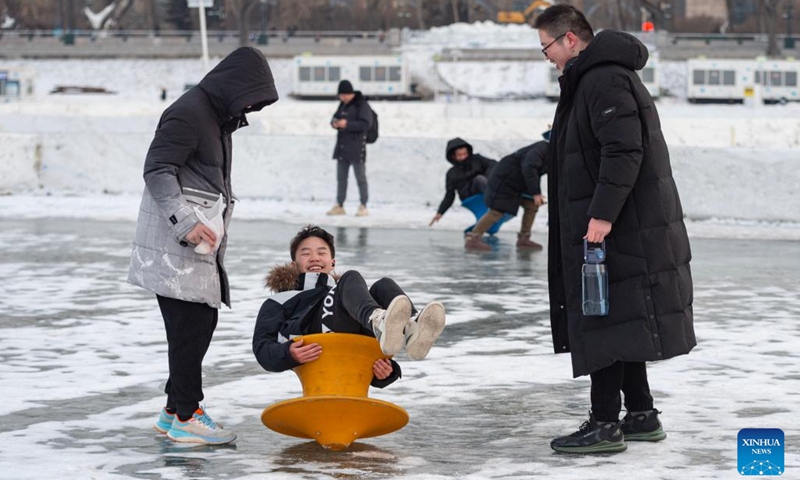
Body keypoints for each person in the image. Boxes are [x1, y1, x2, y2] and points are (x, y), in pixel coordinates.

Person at [534, 5, 695, 454]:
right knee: (616, 313)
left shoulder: (601, 78)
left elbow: (623, 152)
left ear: (569, 39)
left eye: (546, 45)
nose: (546, 56)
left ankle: (605, 422)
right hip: (622, 222)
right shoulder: (593, 78)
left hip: (616, 224)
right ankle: (640, 412)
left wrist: (601, 215)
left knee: (600, 316)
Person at [128, 47, 279, 445]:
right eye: (251, 97)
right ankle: (188, 415)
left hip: (194, 247)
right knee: (188, 329)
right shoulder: (188, 113)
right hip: (176, 245)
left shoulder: (214, 117)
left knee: (200, 324)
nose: (251, 106)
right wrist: (187, 221)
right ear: (235, 84)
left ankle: (172, 409)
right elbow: (157, 170)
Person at [253, 226, 447, 384]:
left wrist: (385, 372)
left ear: (332, 262)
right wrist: (287, 353)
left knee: (383, 286)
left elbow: (368, 362)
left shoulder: (346, 293)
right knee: (351, 277)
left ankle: (411, 329)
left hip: (349, 335)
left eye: (322, 252)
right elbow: (262, 348)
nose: (314, 257)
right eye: (305, 253)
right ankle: (377, 321)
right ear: (294, 264)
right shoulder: (279, 300)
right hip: (312, 338)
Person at [465, 134, 549, 251]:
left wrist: (535, 193)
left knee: (531, 205)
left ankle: (524, 238)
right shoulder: (542, 148)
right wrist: (535, 193)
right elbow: (529, 167)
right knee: (497, 211)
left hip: (519, 182)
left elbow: (535, 172)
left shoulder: (554, 152)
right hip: (505, 180)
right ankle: (473, 239)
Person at [327, 80, 374, 217]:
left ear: (351, 93)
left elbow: (366, 124)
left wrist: (347, 124)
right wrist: (334, 123)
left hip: (357, 147)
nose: (342, 98)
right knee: (341, 178)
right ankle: (340, 205)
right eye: (340, 96)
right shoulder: (343, 104)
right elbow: (334, 118)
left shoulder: (362, 104)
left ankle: (363, 205)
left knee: (360, 178)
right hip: (342, 147)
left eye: (345, 95)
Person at [429, 138, 496, 229]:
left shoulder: (477, 159)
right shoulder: (451, 173)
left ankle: (498, 203)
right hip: (468, 195)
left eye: (465, 154)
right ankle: (495, 204)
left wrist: (488, 176)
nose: (463, 157)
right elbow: (450, 195)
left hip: (483, 188)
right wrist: (440, 212)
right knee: (479, 179)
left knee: (487, 178)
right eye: (459, 155)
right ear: (453, 156)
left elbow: (493, 164)